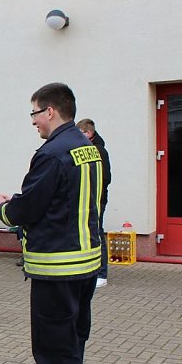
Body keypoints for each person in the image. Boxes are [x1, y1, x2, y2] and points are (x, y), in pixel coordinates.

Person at [0, 82, 103, 364]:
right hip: (84, 263)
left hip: (58, 267)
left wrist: (1, 208)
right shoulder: (89, 149)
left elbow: (30, 208)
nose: (33, 122)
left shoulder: (52, 153)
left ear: (50, 111)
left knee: (54, 345)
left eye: (34, 113)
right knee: (72, 339)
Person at [77, 119, 112, 288]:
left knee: (97, 232)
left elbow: (105, 178)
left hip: (97, 199)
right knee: (91, 232)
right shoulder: (87, 149)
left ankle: (102, 273)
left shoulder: (99, 151)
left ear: (89, 133)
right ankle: (91, 270)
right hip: (88, 199)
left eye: (80, 133)